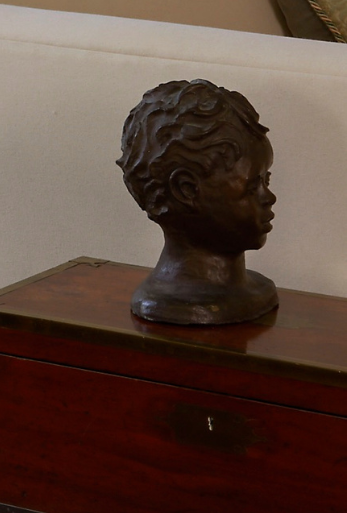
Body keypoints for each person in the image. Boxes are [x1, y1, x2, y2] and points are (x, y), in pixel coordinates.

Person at [116, 79, 278, 327]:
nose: (269, 197)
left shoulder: (260, 290)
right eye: (251, 187)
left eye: (266, 180)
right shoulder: (172, 303)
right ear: (187, 190)